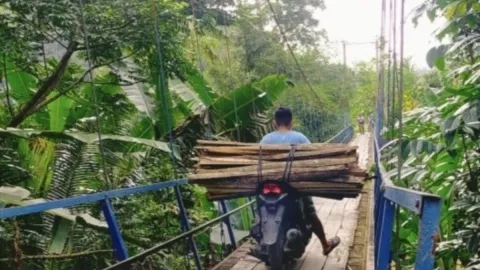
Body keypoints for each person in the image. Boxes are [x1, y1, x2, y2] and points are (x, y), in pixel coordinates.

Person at [259, 107, 341, 256]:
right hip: (295, 186)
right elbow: (313, 157)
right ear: (291, 122)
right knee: (309, 212)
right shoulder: (299, 138)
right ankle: (325, 244)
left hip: (269, 185)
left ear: (274, 122)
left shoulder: (265, 140)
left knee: (258, 208)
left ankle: (259, 237)